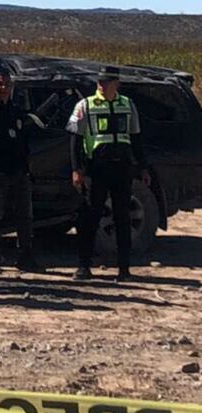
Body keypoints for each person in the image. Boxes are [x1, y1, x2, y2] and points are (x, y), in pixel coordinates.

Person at [66, 66, 150, 281]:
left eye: (106, 82)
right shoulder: (85, 105)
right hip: (97, 169)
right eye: (99, 82)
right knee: (90, 217)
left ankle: (124, 269)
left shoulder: (127, 105)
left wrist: (143, 167)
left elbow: (136, 138)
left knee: (122, 218)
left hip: (122, 168)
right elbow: (75, 140)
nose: (101, 86)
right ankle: (84, 266)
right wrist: (77, 169)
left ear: (116, 84)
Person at [0, 68, 42, 274]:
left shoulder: (16, 110)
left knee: (25, 216)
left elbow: (25, 140)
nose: (3, 88)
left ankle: (25, 257)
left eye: (7, 84)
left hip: (19, 170)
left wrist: (27, 165)